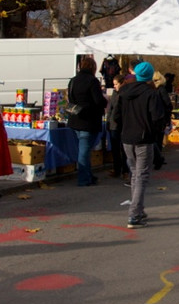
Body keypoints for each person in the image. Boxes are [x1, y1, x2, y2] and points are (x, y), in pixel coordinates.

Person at [113, 61, 165, 228]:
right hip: (144, 138)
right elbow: (157, 118)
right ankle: (135, 213)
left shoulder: (124, 91)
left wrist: (124, 128)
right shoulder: (151, 94)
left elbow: (116, 116)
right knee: (141, 175)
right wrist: (155, 132)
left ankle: (138, 209)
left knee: (135, 174)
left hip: (127, 137)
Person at [67, 56, 107, 187]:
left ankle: (88, 176)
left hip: (75, 119)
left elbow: (70, 99)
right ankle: (84, 178)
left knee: (83, 150)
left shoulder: (73, 80)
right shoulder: (92, 81)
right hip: (88, 120)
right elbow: (98, 101)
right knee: (84, 151)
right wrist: (105, 101)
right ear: (93, 68)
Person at [105, 74, 131, 181]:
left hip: (123, 124)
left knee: (124, 149)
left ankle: (125, 170)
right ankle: (117, 169)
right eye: (114, 84)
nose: (114, 86)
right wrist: (108, 121)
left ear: (122, 83)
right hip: (113, 125)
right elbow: (111, 108)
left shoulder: (126, 93)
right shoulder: (115, 93)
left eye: (116, 84)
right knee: (115, 149)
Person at [151, 72, 173, 170]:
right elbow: (168, 104)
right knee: (157, 139)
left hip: (156, 118)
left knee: (156, 139)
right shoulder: (159, 90)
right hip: (159, 117)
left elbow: (167, 104)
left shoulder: (155, 90)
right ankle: (158, 158)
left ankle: (157, 158)